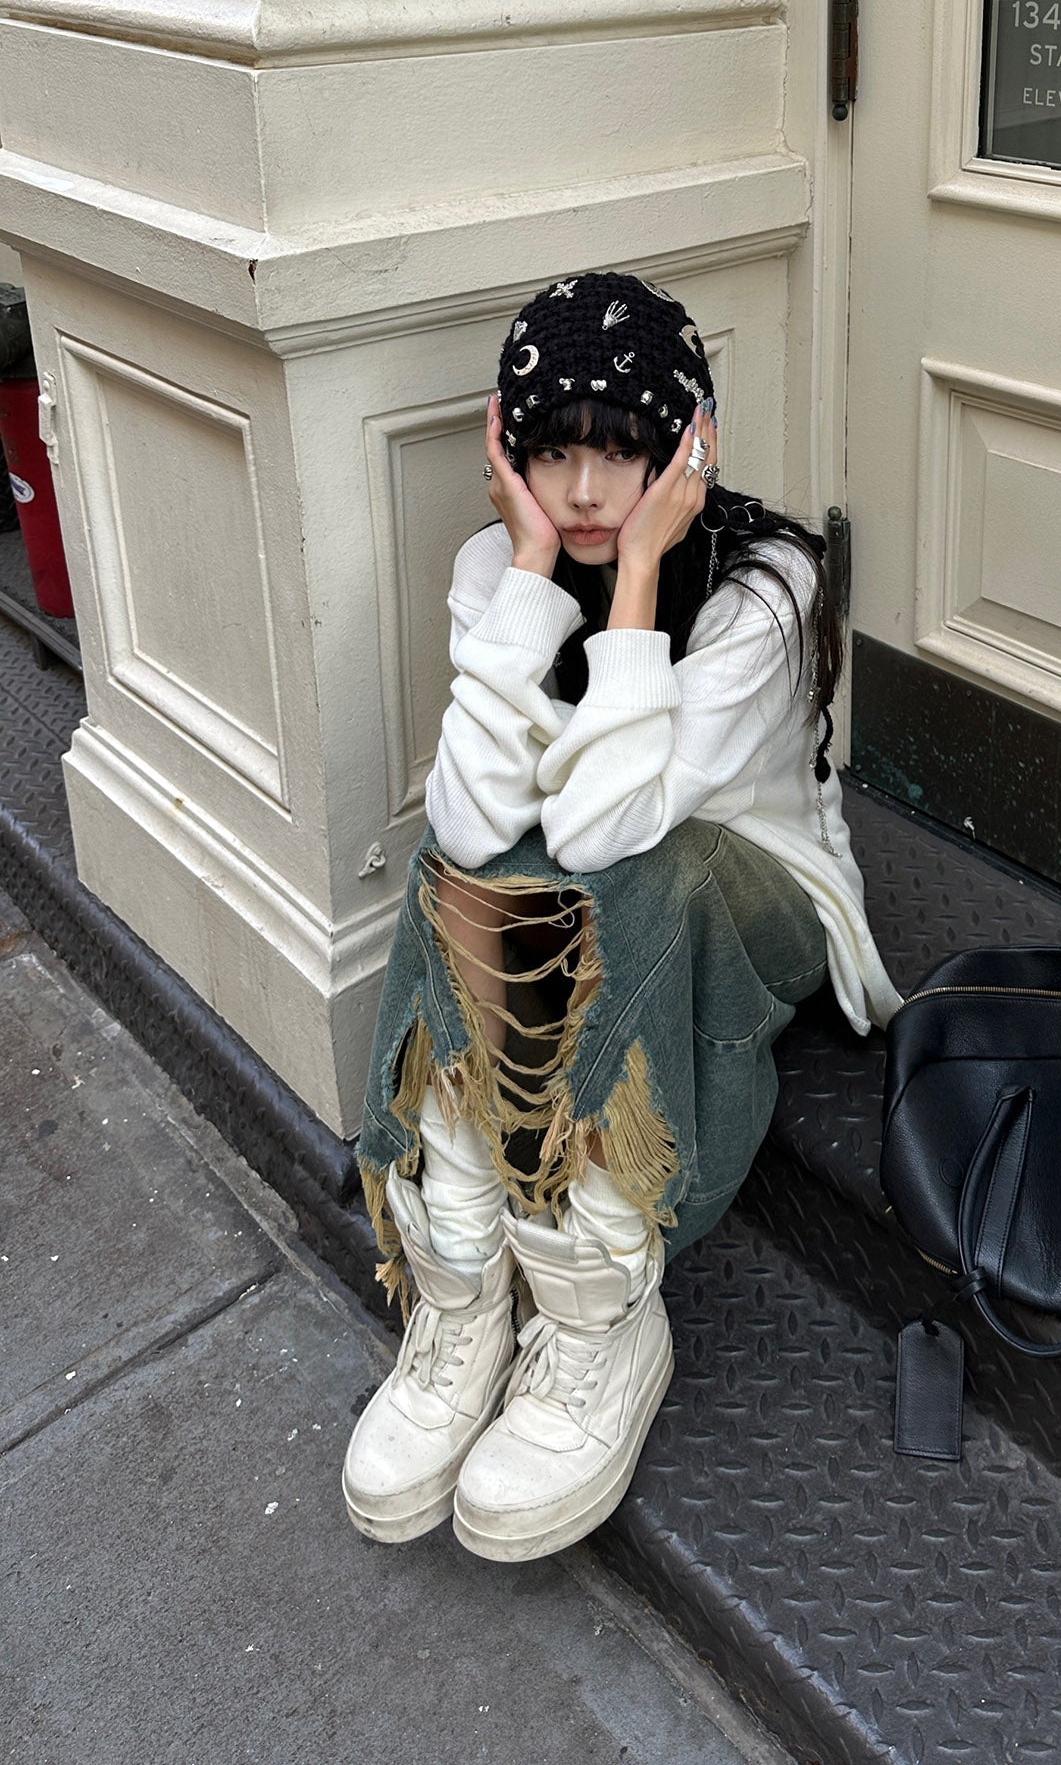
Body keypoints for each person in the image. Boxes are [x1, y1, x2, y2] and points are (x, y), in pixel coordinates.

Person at [342, 269, 901, 1563]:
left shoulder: (765, 587)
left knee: (620, 872)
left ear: (686, 447)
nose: (587, 490)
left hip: (752, 906)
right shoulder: (501, 565)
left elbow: (612, 833)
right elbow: (474, 821)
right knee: (458, 863)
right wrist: (534, 571)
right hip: (575, 902)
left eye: (622, 451)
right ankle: (466, 1280)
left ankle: (600, 1302)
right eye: (553, 452)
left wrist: (639, 578)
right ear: (511, 455)